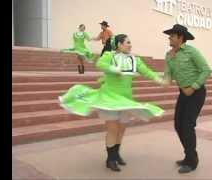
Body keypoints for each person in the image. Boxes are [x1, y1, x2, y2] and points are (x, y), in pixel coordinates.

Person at [58, 34, 166, 172]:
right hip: (109, 98)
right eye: (127, 42)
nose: (130, 45)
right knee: (112, 128)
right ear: (119, 45)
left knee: (121, 129)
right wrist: (114, 69)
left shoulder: (135, 60)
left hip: (126, 100)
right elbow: (100, 64)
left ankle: (116, 154)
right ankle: (110, 159)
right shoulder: (110, 55)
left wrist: (160, 80)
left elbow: (147, 72)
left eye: (130, 42)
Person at [162, 24, 212, 173]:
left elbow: (206, 70)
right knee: (178, 125)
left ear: (180, 37)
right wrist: (160, 80)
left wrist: (194, 86)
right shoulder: (169, 55)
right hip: (183, 93)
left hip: (196, 92)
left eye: (172, 35)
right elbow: (168, 76)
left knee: (188, 126)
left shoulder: (192, 52)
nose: (169, 38)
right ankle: (190, 156)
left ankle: (191, 161)